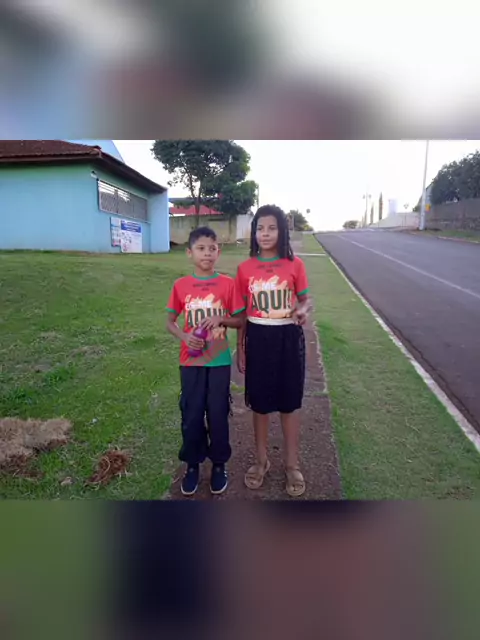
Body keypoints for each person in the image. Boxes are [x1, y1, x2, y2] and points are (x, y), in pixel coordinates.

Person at [236, 205, 312, 497]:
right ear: (254, 233)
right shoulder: (245, 269)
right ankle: (261, 461)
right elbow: (242, 314)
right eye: (260, 228)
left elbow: (305, 300)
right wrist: (240, 347)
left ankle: (292, 465)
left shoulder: (295, 265)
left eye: (271, 228)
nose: (265, 234)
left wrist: (302, 310)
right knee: (260, 404)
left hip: (287, 338)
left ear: (282, 231)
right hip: (258, 337)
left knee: (289, 404)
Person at [166, 227, 245, 496]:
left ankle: (219, 464)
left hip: (219, 361)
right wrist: (185, 336)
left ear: (218, 252)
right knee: (191, 414)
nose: (207, 253)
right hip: (191, 362)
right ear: (190, 253)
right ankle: (192, 464)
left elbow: (240, 320)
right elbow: (170, 322)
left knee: (218, 414)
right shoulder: (181, 285)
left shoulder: (227, 284)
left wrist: (221, 319)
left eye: (212, 248)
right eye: (201, 248)